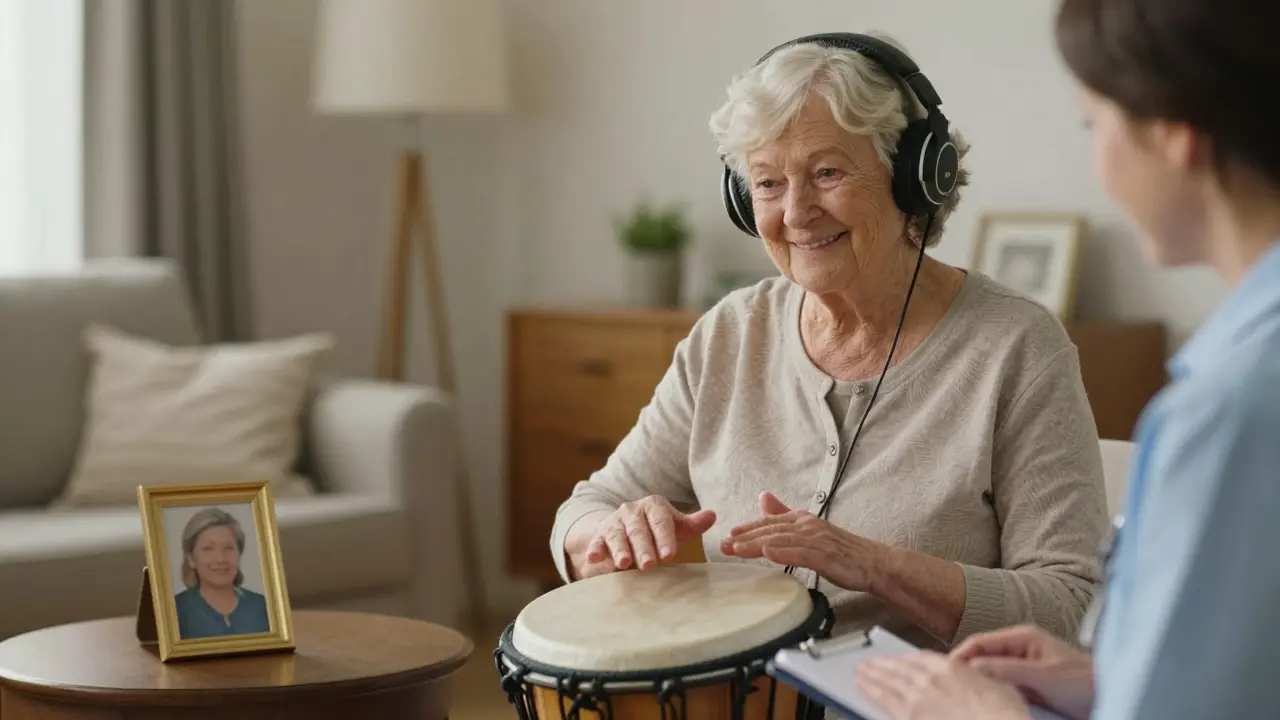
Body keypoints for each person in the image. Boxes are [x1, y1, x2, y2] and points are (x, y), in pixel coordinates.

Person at [550, 30, 1110, 651]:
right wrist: (613, 531)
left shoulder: (1017, 348)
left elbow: (1072, 606)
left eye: (826, 172)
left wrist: (878, 566)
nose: (795, 212)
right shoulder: (729, 334)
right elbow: (588, 507)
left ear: (913, 179)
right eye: (767, 183)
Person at [856, 0, 1280, 718]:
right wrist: (1110, 677)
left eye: (1096, 124)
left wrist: (981, 713)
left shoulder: (1230, 409)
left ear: (1176, 134)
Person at [174, 507, 271, 639]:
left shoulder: (263, 607)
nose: (220, 559)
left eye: (228, 548)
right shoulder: (175, 611)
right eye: (208, 548)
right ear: (191, 559)